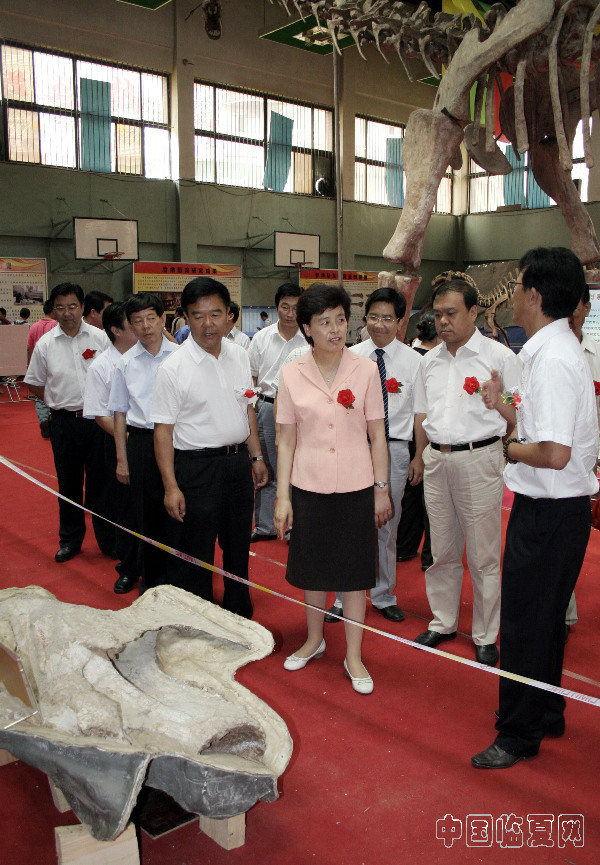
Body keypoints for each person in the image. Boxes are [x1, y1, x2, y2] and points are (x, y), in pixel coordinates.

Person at [471, 247, 599, 769]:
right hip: (557, 511)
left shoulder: (551, 357)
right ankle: (545, 709)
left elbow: (552, 453)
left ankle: (518, 733)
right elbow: (542, 431)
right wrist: (501, 407)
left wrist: (506, 448)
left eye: (519, 283)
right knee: (544, 621)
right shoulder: (551, 351)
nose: (514, 293)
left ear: (534, 296)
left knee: (524, 625)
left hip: (549, 513)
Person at [274, 283, 392, 695]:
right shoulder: (291, 373)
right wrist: (283, 497)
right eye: (325, 322)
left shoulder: (364, 370)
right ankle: (314, 639)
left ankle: (354, 653)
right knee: (313, 569)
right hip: (308, 485)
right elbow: (285, 440)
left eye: (341, 319)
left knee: (355, 573)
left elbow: (378, 434)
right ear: (306, 327)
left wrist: (381, 488)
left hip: (357, 485)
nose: (335, 329)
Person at [412, 273, 521, 666]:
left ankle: (486, 634)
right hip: (437, 461)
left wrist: (499, 404)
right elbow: (422, 413)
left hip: (480, 459)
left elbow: (518, 414)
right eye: (438, 314)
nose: (442, 321)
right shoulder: (429, 362)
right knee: (440, 551)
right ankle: (442, 622)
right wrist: (420, 456)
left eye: (451, 313)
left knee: (483, 555)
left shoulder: (498, 359)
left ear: (474, 312)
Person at [152, 277, 268, 619]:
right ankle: (197, 617)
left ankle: (238, 611)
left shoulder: (239, 355)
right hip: (195, 468)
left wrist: (257, 455)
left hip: (236, 466)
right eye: (198, 315)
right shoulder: (172, 368)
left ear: (229, 315)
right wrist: (171, 486)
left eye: (215, 314)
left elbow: (246, 407)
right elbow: (163, 432)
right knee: (195, 548)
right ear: (185, 318)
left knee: (237, 544)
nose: (208, 324)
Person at [324, 287, 423, 624]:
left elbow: (419, 414)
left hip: (394, 449)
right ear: (365, 320)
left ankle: (383, 595)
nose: (380, 325)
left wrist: (418, 455)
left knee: (386, 526)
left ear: (400, 321)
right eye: (374, 317)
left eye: (388, 318)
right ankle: (341, 598)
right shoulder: (348, 357)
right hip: (353, 449)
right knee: (345, 525)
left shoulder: (414, 362)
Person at [24, 282, 113, 563]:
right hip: (64, 423)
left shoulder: (100, 338)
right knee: (68, 484)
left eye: (72, 306)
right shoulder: (45, 344)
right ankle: (71, 540)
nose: (67, 313)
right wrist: (54, 401)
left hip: (100, 422)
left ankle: (109, 541)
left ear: (83, 307)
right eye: (60, 307)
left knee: (103, 485)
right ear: (53, 310)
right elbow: (35, 383)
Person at [108, 293, 178, 593]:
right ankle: (151, 583)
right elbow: (120, 414)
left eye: (152, 318)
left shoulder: (181, 357)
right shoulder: (125, 363)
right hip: (141, 443)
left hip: (178, 443)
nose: (146, 326)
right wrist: (122, 459)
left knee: (178, 513)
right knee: (145, 515)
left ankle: (178, 580)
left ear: (164, 319)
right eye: (138, 321)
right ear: (130, 326)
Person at [83, 302, 140, 594]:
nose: (142, 328)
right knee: (124, 509)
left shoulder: (150, 357)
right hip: (121, 442)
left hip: (155, 442)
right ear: (116, 330)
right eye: (133, 324)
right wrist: (129, 437)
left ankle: (159, 566)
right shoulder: (101, 366)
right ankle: (129, 568)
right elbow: (99, 414)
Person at [248, 283, 306, 541]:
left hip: (298, 412)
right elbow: (251, 377)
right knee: (266, 468)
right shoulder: (261, 337)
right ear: (276, 307)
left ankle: (294, 525)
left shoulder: (308, 338)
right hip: (267, 406)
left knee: (294, 469)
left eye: (296, 308)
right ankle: (263, 527)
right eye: (285, 307)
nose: (290, 313)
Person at [396, 308, 440, 568]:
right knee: (428, 501)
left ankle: (405, 545)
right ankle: (429, 555)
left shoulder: (411, 357)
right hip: (424, 434)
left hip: (410, 434)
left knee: (411, 495)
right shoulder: (428, 362)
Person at [26, 298, 57, 439]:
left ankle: (43, 419)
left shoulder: (34, 326)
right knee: (54, 392)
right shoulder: (57, 325)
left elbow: (29, 347)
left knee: (40, 396)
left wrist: (30, 364)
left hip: (38, 363)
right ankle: (53, 420)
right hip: (54, 364)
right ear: (54, 310)